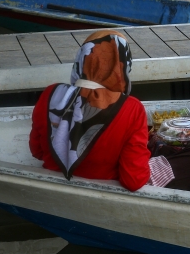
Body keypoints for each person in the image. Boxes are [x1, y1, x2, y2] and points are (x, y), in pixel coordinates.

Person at [29, 30, 150, 190]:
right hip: (101, 199)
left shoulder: (50, 94)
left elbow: (37, 151)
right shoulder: (132, 108)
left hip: (51, 191)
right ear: (122, 64)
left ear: (82, 58)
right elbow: (134, 180)